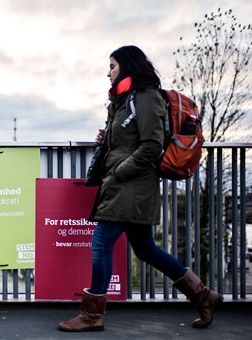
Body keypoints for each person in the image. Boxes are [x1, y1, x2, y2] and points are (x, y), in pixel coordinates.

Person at [57, 45, 222, 332]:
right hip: (124, 186)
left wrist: (120, 171)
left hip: (131, 185)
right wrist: (106, 137)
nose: (108, 73)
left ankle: (91, 315)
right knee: (146, 248)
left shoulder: (145, 98)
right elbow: (129, 140)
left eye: (112, 66)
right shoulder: (123, 102)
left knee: (101, 243)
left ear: (127, 66)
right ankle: (203, 294)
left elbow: (151, 146)